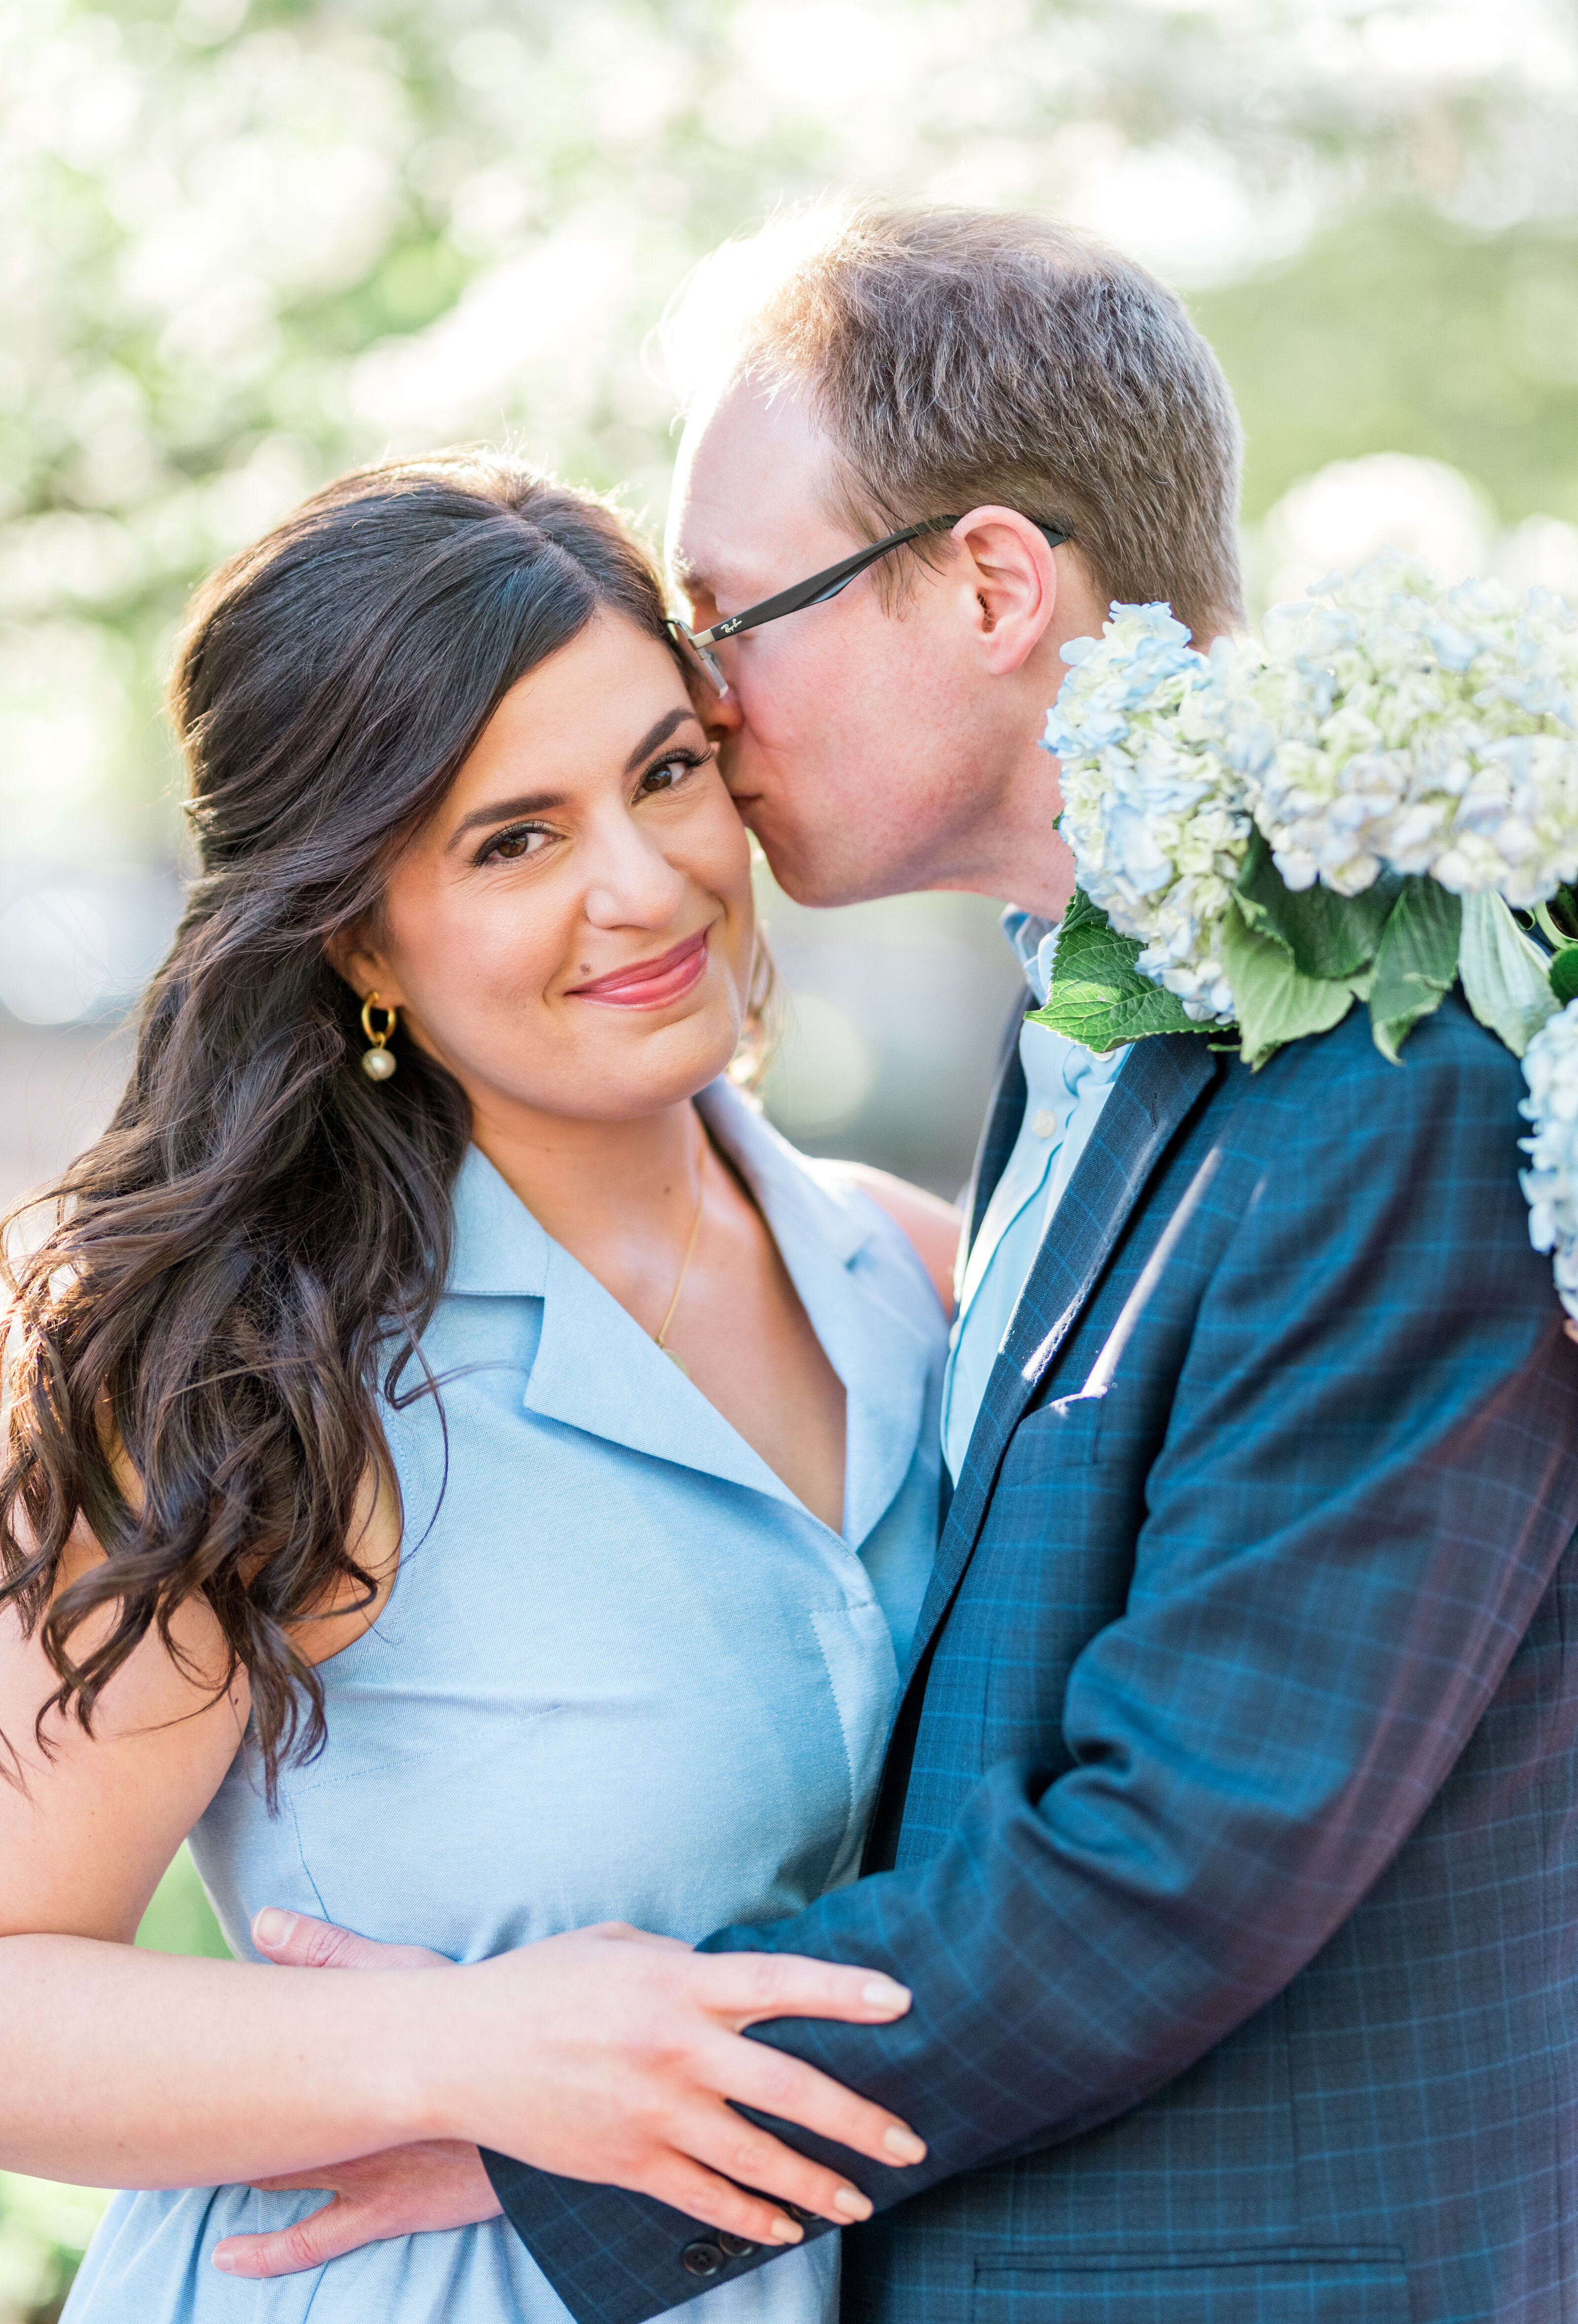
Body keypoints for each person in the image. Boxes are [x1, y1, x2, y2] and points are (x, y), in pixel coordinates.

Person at [234, 208, 1578, 2324]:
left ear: (985, 582)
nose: (699, 694)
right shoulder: (1092, 1028)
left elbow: (1186, 1845)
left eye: (729, 614)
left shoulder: (1388, 1078)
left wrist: (569, 2124)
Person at [0, 455, 961, 2322]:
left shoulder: (913, 1273)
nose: (643, 882)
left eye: (666, 771)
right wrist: (464, 2051)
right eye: (511, 840)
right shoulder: (263, 1372)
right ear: (360, 934)